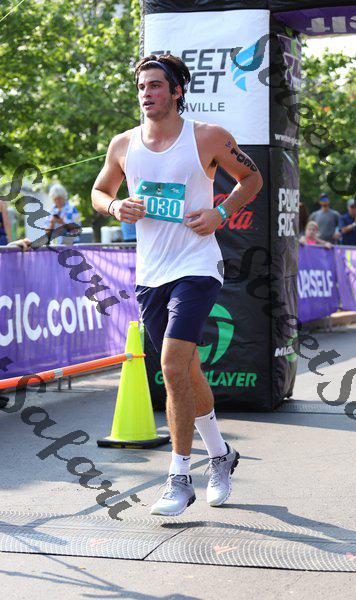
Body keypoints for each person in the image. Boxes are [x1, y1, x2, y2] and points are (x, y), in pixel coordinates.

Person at [91, 53, 263, 517]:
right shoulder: (123, 144)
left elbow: (252, 178)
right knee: (186, 370)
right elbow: (99, 192)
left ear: (176, 90)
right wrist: (115, 207)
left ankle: (179, 477)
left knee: (169, 365)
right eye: (141, 87)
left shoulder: (208, 136)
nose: (146, 94)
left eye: (155, 86)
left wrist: (220, 212)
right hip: (151, 274)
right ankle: (221, 455)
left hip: (197, 266)